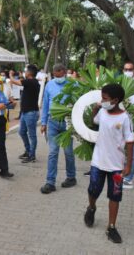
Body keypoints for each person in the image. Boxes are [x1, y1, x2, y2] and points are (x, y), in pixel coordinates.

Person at [84, 83, 134, 244]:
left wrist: (128, 165)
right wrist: (95, 109)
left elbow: (130, 141)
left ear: (115, 100)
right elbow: (95, 121)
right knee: (93, 190)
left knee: (115, 196)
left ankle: (111, 227)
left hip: (116, 167)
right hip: (98, 162)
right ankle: (91, 208)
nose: (102, 101)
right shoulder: (103, 112)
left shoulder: (125, 118)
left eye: (105, 99)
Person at [40, 64, 76, 194]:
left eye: (59, 74)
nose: (57, 77)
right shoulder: (49, 85)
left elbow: (79, 102)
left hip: (67, 122)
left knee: (68, 152)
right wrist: (43, 123)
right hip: (53, 122)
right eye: (55, 74)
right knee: (52, 153)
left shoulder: (73, 84)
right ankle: (50, 182)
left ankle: (71, 177)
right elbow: (45, 104)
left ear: (65, 72)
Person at [9, 65, 40, 163]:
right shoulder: (31, 82)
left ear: (29, 73)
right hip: (26, 112)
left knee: (32, 135)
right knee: (22, 132)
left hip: (31, 113)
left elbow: (15, 82)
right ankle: (28, 150)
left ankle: (32, 155)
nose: (24, 72)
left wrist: (10, 75)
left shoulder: (31, 82)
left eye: (26, 71)